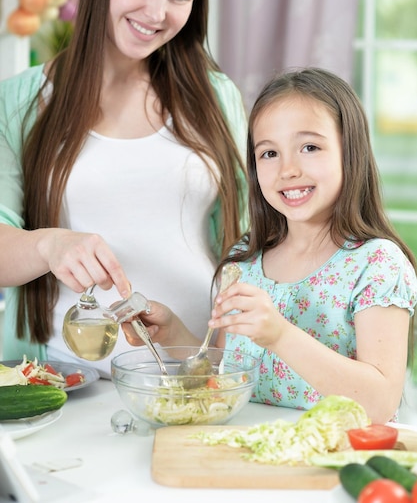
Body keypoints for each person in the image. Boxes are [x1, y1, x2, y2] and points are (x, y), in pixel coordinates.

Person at [0, 0, 248, 377]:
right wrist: (49, 246)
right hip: (68, 381)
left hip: (194, 373)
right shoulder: (20, 102)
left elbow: (254, 243)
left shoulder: (216, 97)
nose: (157, 12)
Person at [125, 67, 417, 424]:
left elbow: (379, 403)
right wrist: (171, 332)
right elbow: (225, 371)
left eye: (309, 147)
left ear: (350, 151)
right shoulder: (243, 261)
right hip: (251, 454)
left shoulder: (376, 264)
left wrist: (280, 335)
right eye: (269, 153)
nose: (288, 169)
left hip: (332, 464)